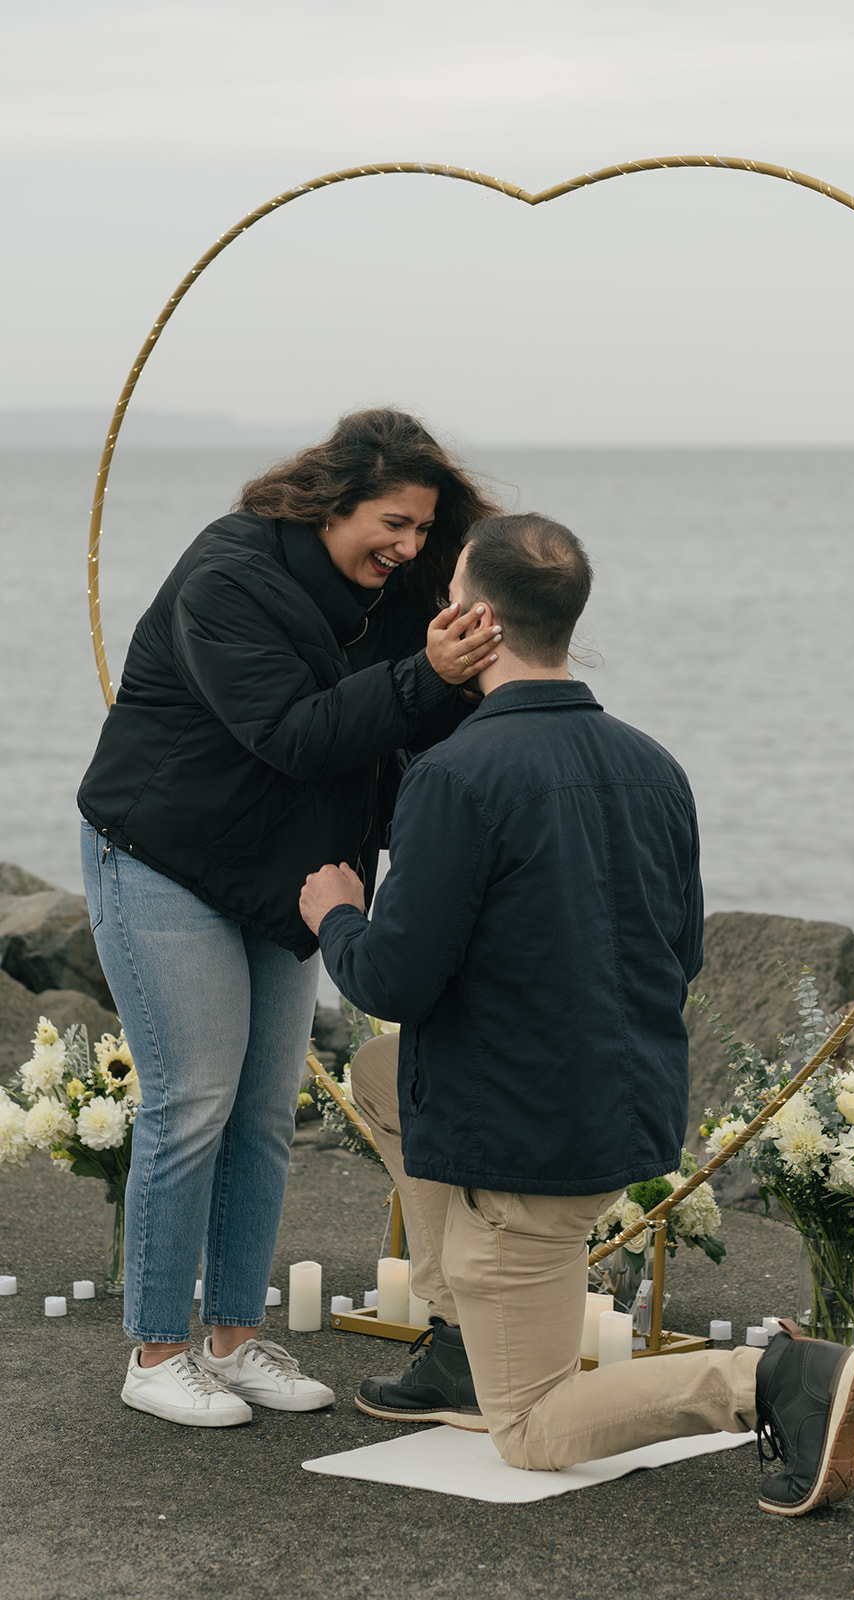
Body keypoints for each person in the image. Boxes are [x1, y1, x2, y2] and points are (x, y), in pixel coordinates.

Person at [299, 512, 854, 1515]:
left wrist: (337, 913)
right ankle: (453, 1339)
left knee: (532, 1429)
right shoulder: (655, 765)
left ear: (471, 616)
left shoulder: (455, 776)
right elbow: (682, 950)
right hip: (621, 1108)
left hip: (522, 1150)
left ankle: (770, 1381)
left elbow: (391, 983)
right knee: (382, 1079)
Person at [78, 408, 500, 1426]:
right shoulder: (230, 574)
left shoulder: (396, 594)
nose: (404, 548)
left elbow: (418, 726)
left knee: (266, 1112)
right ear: (330, 500)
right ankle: (157, 1349)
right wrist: (425, 675)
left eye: (420, 532)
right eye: (391, 524)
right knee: (191, 1104)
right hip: (166, 855)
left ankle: (230, 1336)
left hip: (293, 872)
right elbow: (295, 733)